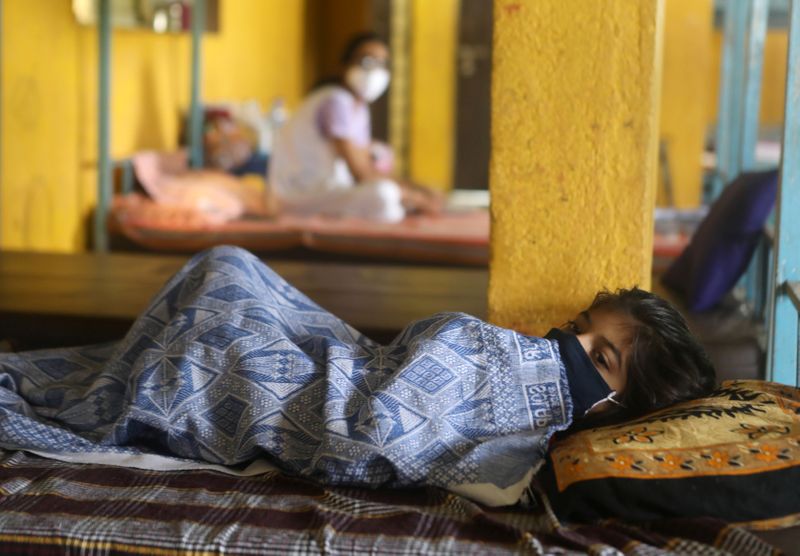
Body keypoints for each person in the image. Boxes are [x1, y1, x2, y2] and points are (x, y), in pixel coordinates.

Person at [0, 247, 715, 506]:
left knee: (214, 324)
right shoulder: (531, 366)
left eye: (599, 356)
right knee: (230, 268)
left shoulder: (540, 429)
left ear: (616, 404)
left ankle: (112, 393)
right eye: (580, 323)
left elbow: (384, 420)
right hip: (340, 361)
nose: (569, 339)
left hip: (320, 398)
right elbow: (405, 362)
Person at [268, 32, 442, 222]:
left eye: (382, 64)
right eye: (367, 61)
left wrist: (417, 189)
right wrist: (413, 195)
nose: (374, 71)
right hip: (298, 195)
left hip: (326, 192)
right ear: (345, 65)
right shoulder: (336, 100)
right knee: (384, 195)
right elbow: (359, 172)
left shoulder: (358, 108)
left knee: (388, 199)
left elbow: (365, 165)